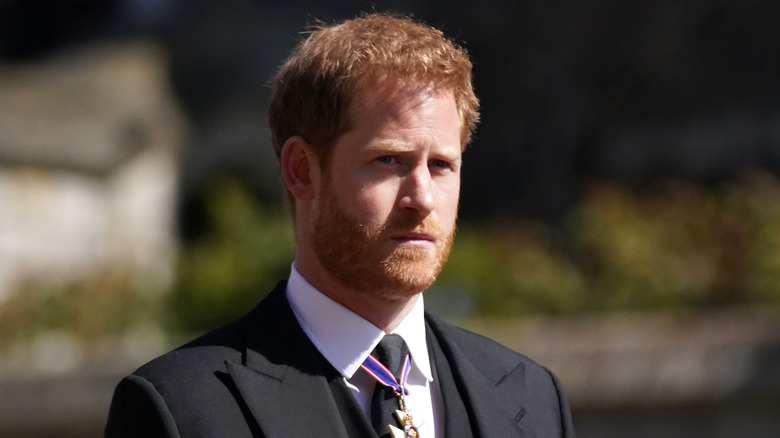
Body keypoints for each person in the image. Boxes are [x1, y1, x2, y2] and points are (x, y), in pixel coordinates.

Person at [105, 13, 576, 438]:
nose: (422, 199)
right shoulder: (180, 409)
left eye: (440, 165)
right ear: (301, 170)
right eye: (388, 160)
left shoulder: (533, 400)